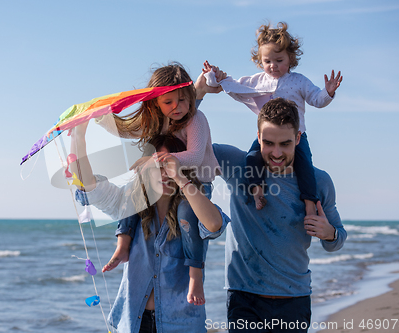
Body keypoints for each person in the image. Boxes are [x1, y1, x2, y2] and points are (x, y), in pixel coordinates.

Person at [196, 76, 347, 332]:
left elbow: (337, 240)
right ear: (258, 137)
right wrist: (198, 92)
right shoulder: (238, 165)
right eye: (268, 143)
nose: (276, 153)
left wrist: (329, 233)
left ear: (298, 138)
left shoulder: (319, 182)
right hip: (244, 296)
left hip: (294, 299)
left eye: (285, 144)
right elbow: (185, 139)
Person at [71, 121, 229, 332]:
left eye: (170, 166)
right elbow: (88, 185)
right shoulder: (130, 205)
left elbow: (214, 224)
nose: (165, 173)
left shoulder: (192, 208)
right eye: (158, 166)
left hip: (181, 324)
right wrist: (79, 136)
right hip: (134, 322)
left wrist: (180, 178)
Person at [94, 62, 222, 305]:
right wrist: (100, 118)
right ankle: (123, 243)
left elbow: (194, 156)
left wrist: (154, 160)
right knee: (135, 189)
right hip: (169, 178)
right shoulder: (157, 120)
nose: (177, 107)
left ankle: (196, 274)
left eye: (183, 100)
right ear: (156, 102)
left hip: (197, 181)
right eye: (168, 102)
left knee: (187, 213)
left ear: (191, 98)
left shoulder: (196, 118)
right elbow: (126, 130)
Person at [203, 22, 343, 218]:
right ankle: (257, 191)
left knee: (305, 167)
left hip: (296, 137)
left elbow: (316, 100)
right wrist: (215, 76)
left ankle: (310, 204)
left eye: (279, 60)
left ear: (291, 59)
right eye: (267, 61)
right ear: (260, 61)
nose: (273, 66)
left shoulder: (299, 81)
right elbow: (232, 85)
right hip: (266, 136)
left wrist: (327, 92)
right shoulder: (259, 80)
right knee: (252, 158)